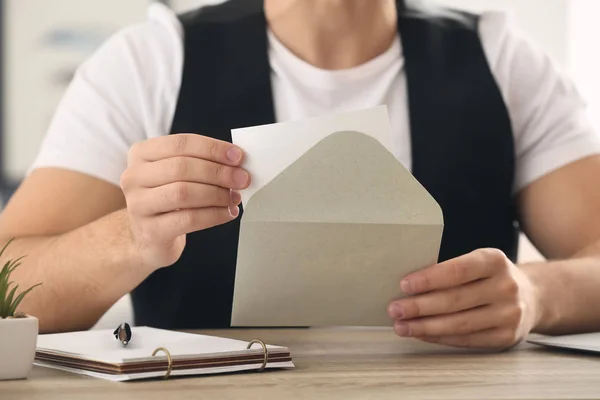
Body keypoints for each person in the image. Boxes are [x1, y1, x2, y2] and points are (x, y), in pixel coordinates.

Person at [1, 0, 600, 350]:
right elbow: (8, 277)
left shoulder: (504, 62)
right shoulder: (149, 63)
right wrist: (130, 238)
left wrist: (537, 294)